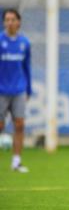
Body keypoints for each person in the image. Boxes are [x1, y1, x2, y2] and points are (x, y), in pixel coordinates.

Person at [0, 9, 32, 173]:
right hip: (1, 90)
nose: (9, 22)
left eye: (12, 19)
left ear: (19, 22)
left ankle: (16, 162)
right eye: (7, 20)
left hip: (19, 90)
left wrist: (29, 89)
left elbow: (26, 68)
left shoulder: (24, 43)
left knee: (19, 125)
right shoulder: (0, 41)